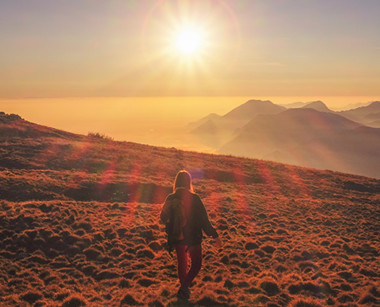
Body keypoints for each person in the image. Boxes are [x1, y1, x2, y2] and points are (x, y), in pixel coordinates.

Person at [160, 170, 222, 301]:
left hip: (177, 237)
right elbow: (205, 221)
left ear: (176, 182)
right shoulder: (195, 198)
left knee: (182, 263)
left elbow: (162, 217)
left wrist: (172, 223)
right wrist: (215, 235)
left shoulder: (170, 198)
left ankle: (184, 290)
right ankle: (184, 287)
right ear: (189, 182)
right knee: (197, 264)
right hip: (193, 238)